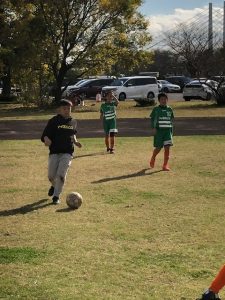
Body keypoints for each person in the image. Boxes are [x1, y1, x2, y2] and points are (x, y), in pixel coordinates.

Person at [41, 99, 82, 204]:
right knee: (51, 176)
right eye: (64, 108)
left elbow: (72, 133)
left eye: (69, 108)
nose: (67, 110)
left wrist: (76, 142)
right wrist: (46, 139)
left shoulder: (73, 121)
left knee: (61, 175)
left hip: (67, 153)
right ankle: (54, 185)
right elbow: (45, 134)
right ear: (59, 109)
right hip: (54, 152)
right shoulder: (53, 121)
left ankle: (56, 197)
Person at [149, 92, 174, 171]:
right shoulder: (156, 109)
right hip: (159, 132)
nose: (163, 101)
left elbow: (171, 120)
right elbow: (152, 119)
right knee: (158, 148)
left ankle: (165, 165)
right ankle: (153, 157)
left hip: (167, 132)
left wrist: (171, 130)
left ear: (167, 100)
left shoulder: (169, 109)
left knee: (167, 148)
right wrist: (154, 127)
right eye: (161, 99)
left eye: (165, 99)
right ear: (159, 100)